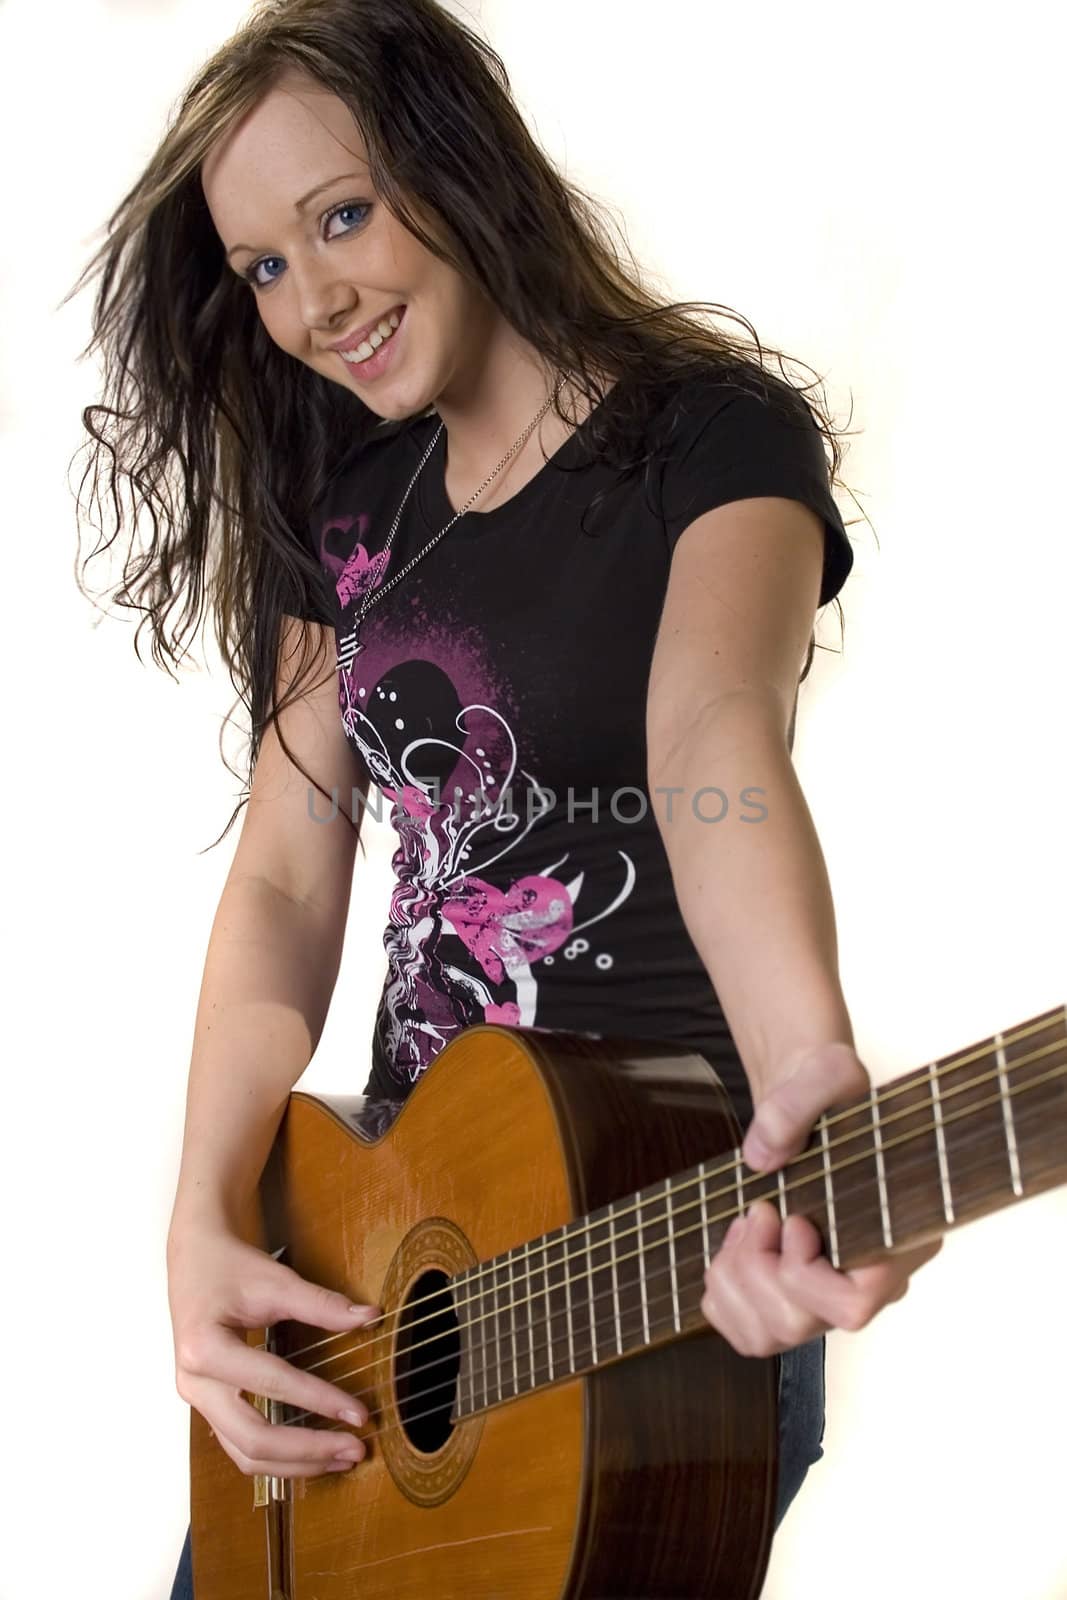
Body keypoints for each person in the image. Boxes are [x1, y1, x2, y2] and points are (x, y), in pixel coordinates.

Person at [69, 2, 942, 1594]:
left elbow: (714, 742)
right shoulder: (349, 508)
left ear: (458, 167)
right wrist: (198, 1218)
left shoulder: (713, 440)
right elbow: (285, 872)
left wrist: (810, 1066)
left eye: (342, 216)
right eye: (264, 266)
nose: (314, 301)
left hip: (655, 1240)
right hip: (388, 1257)